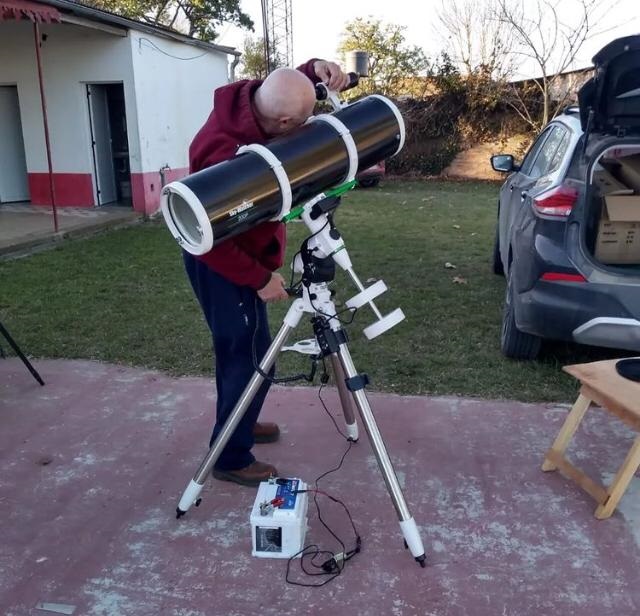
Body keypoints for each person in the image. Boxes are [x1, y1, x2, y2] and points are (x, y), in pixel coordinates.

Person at [184, 59, 350, 487]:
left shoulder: (253, 102)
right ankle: (231, 455)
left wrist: (315, 69)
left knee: (253, 353)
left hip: (243, 257)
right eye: (300, 125)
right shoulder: (219, 152)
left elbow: (285, 88)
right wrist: (258, 279)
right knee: (247, 357)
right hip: (220, 262)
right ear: (282, 121)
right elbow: (212, 240)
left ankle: (242, 418)